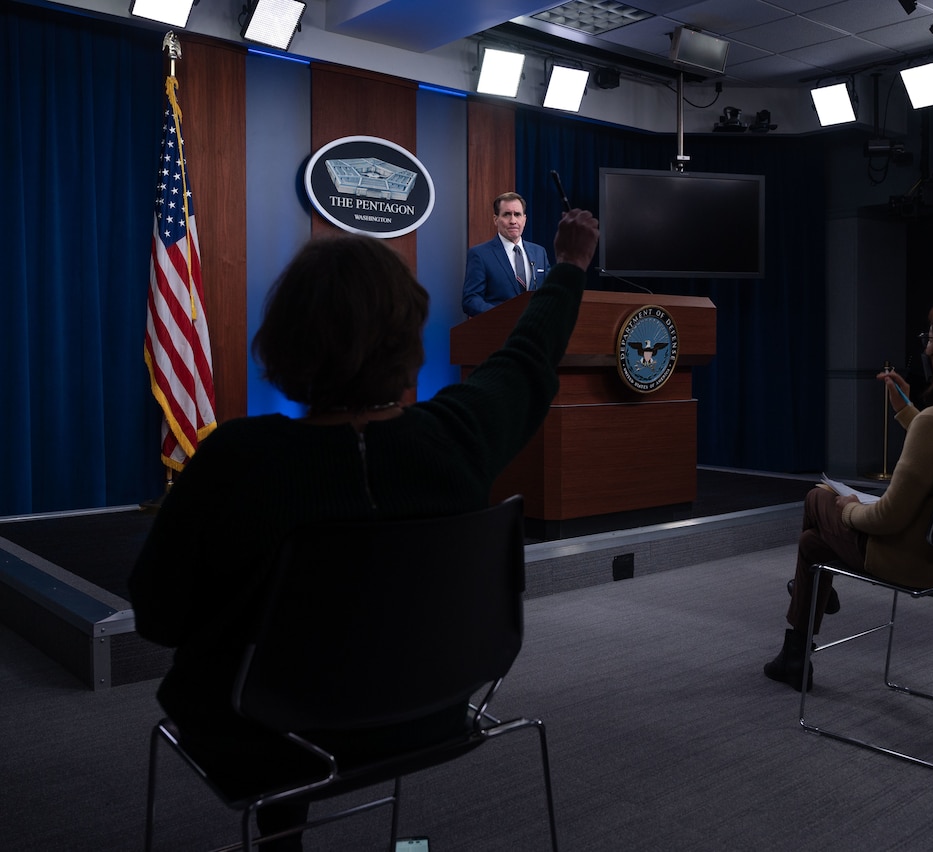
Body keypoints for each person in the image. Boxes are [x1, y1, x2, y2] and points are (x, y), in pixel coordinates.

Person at [130, 209, 600, 850]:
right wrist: (570, 267)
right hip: (434, 713)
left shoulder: (236, 460)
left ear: (285, 341)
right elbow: (528, 354)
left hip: (269, 734)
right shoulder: (457, 438)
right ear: (409, 337)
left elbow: (159, 617)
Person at [764, 295, 933, 692]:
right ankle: (798, 641)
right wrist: (907, 411)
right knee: (813, 545)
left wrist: (850, 508)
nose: (926, 348)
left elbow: (888, 517)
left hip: (919, 561)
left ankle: (806, 618)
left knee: (817, 498)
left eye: (931, 338)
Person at [462, 191, 552, 317]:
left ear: (524, 219)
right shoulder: (480, 254)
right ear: (495, 219)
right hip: (498, 330)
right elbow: (471, 300)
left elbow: (549, 293)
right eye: (507, 215)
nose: (513, 221)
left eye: (517, 214)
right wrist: (504, 315)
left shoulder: (539, 252)